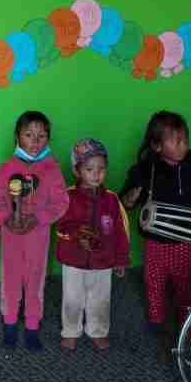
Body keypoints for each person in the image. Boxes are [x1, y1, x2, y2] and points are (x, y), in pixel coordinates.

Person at [121, 111, 191, 358]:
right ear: (156, 145)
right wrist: (132, 196)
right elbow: (126, 201)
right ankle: (156, 319)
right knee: (154, 280)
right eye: (175, 140)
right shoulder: (145, 171)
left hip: (184, 241)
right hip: (154, 241)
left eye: (185, 139)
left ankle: (186, 321)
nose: (183, 144)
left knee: (184, 282)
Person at [0, 111, 70, 351]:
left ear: (48, 139)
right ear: (17, 137)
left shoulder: (52, 170)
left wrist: (39, 218)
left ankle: (32, 326)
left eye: (41, 136)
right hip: (11, 237)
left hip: (38, 237)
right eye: (29, 135)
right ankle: (10, 324)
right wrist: (6, 219)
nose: (35, 141)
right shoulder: (5, 169)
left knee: (35, 281)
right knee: (10, 281)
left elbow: (61, 203)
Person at [55, 138, 129, 351]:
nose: (96, 174)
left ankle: (97, 331)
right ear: (77, 171)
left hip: (103, 261)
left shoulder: (112, 200)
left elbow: (120, 232)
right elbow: (60, 226)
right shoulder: (67, 197)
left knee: (100, 300)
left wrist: (121, 259)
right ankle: (70, 331)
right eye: (89, 169)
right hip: (73, 260)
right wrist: (77, 234)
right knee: (72, 299)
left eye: (101, 169)